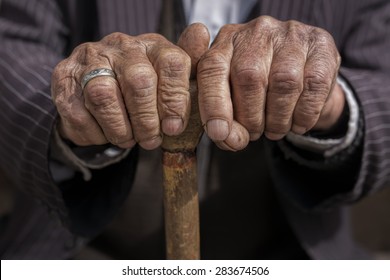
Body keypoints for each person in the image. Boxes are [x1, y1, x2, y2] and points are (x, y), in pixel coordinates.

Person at [0, 0, 389, 259]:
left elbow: (382, 80)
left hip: (286, 252)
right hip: (82, 252)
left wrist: (330, 103)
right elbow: (12, 48)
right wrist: (73, 103)